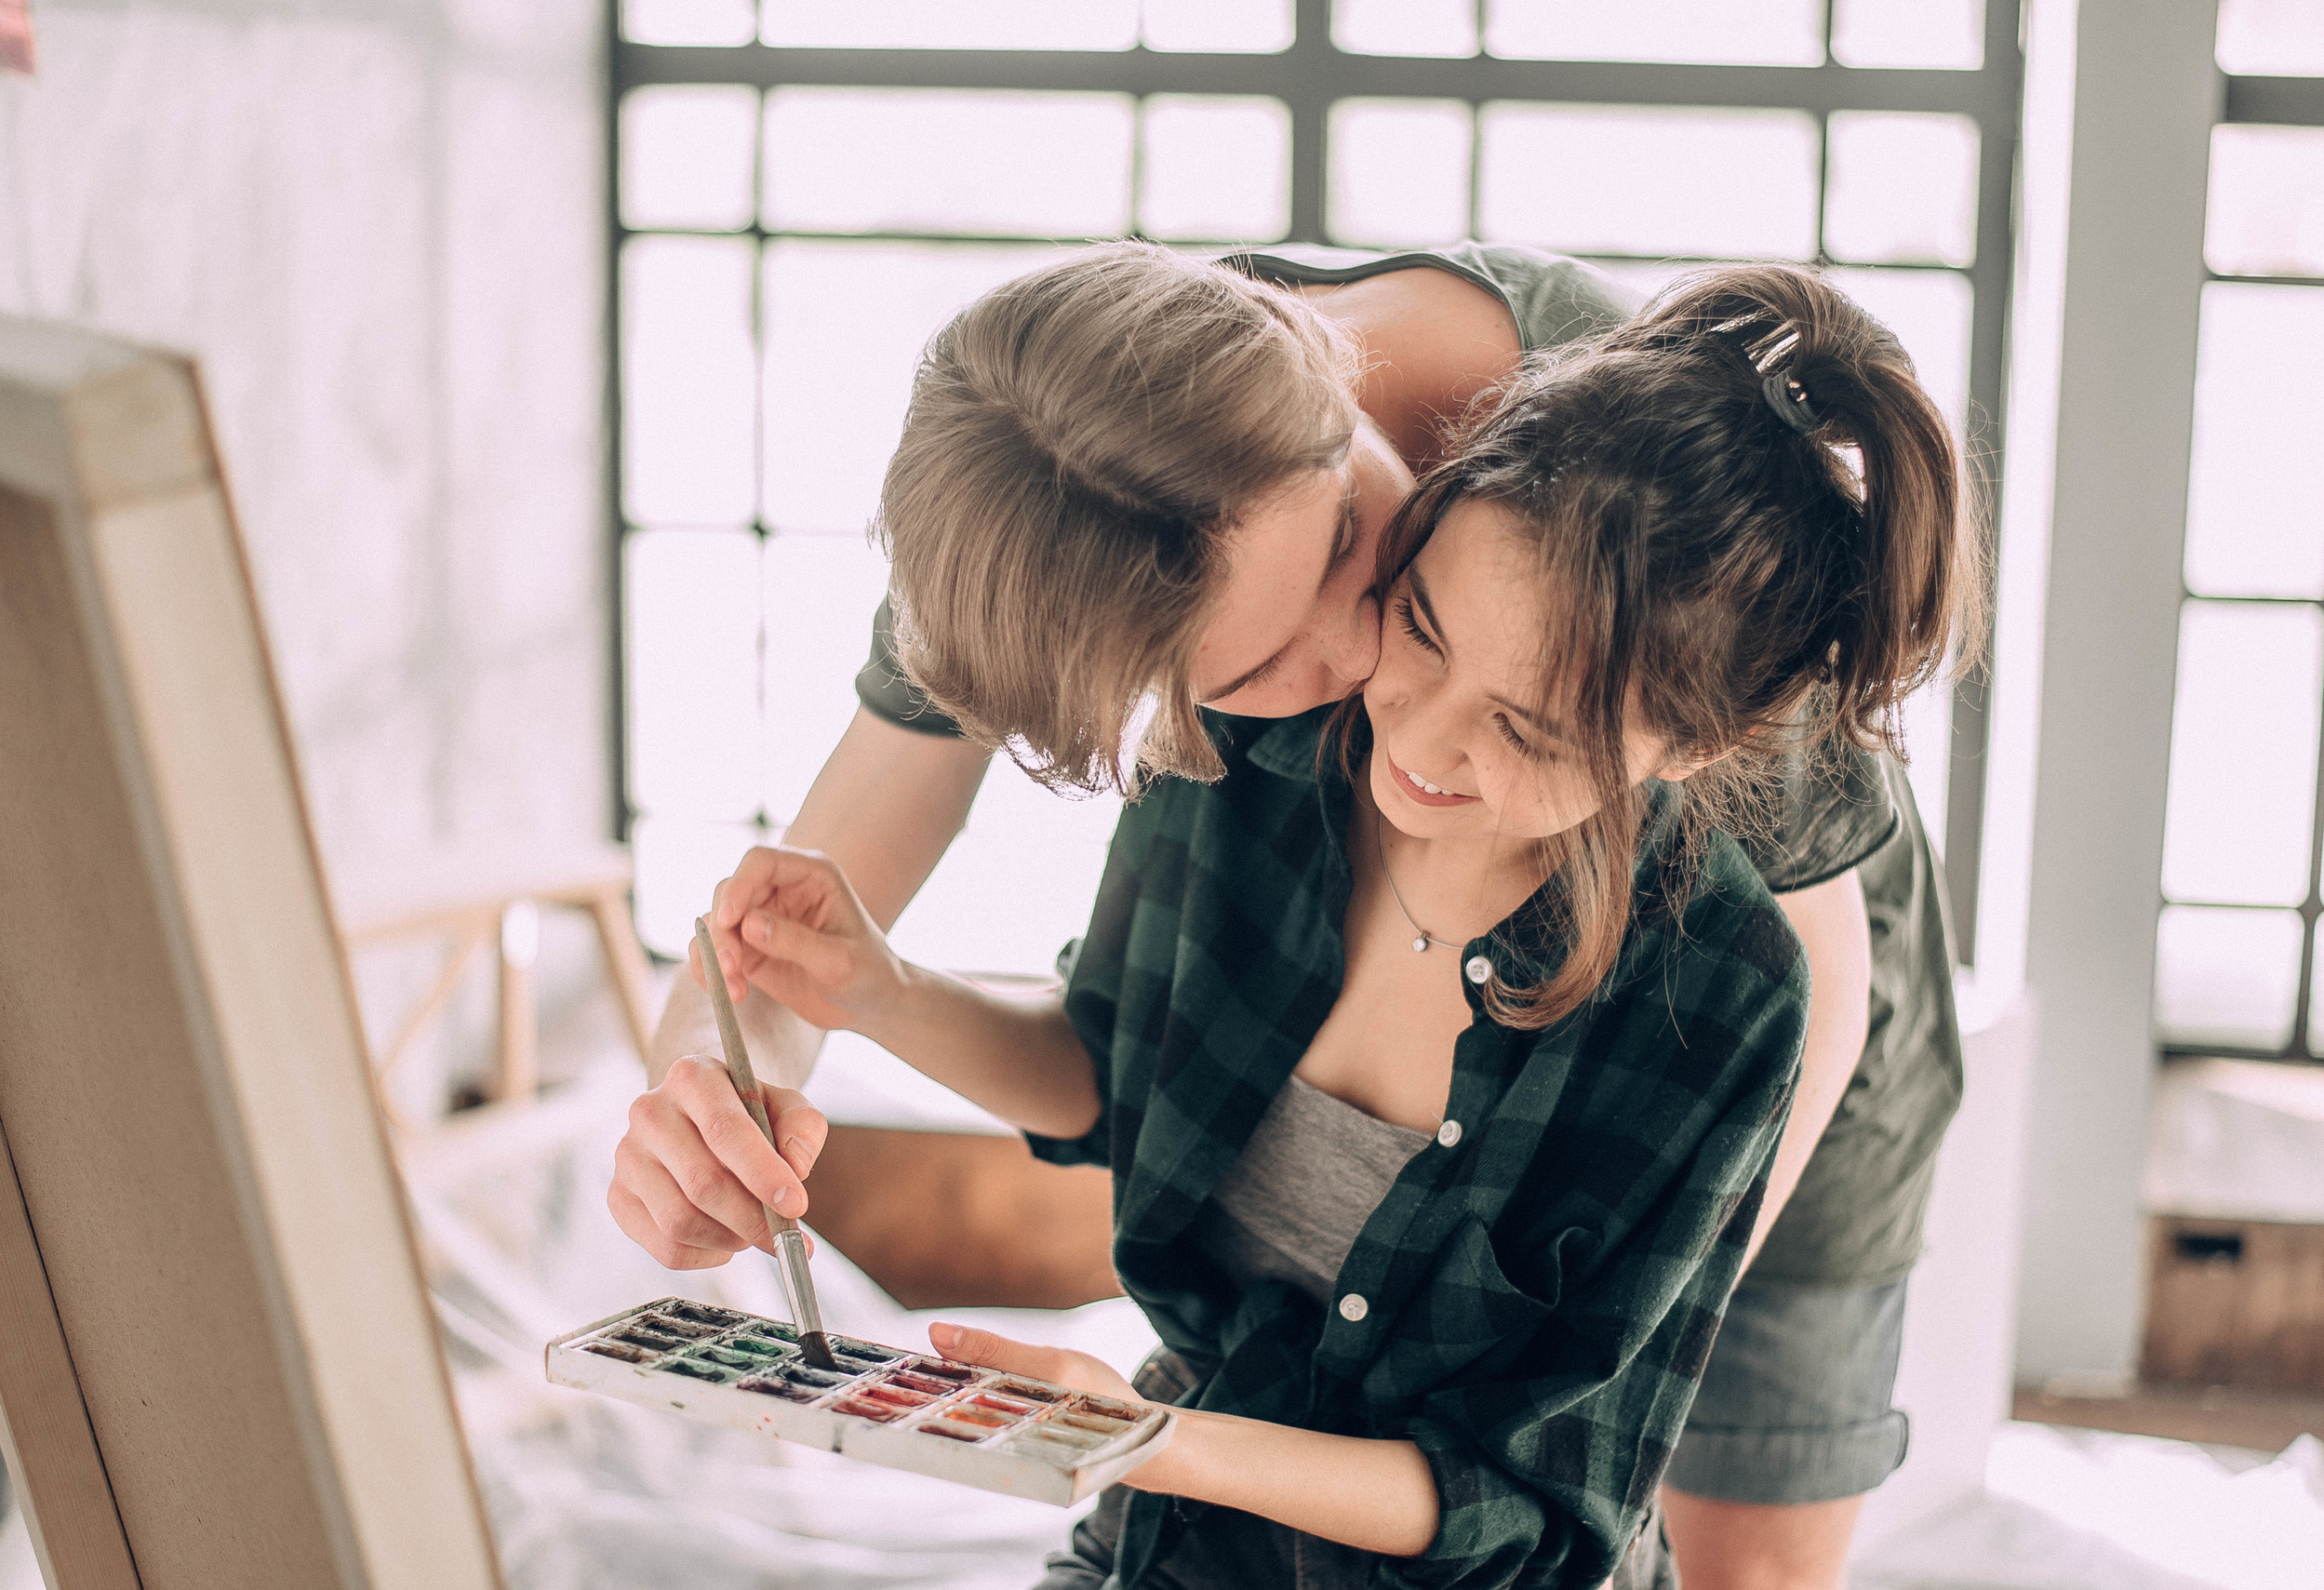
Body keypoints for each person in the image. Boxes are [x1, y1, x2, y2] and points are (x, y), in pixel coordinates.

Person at [610, 244, 1971, 1589]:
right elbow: (832, 906)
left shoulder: (1670, 527)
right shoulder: (1104, 550)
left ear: (1339, 398)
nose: (1360, 669)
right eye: (1246, 678)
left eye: (1348, 561)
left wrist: (1624, 1334)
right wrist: (710, 1110)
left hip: (1772, 1061)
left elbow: (1557, 1482)